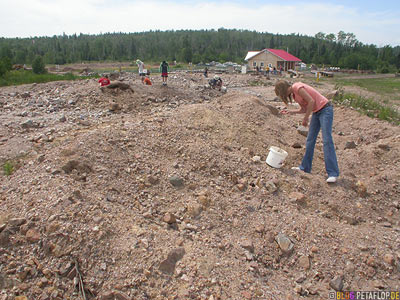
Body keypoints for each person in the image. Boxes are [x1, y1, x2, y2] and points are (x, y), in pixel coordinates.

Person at [274, 80, 339, 183]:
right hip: (317, 112)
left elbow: (311, 101)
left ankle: (333, 173)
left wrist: (305, 119)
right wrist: (291, 112)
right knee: (310, 140)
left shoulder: (297, 87)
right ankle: (305, 168)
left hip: (325, 109)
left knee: (326, 140)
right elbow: (305, 108)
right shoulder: (295, 95)